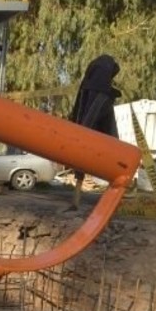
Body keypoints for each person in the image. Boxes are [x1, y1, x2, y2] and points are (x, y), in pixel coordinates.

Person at [67, 54, 122, 210]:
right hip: (91, 131)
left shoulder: (90, 91)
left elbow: (83, 117)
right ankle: (79, 200)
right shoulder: (97, 95)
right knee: (108, 149)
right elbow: (103, 128)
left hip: (88, 129)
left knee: (96, 150)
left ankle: (78, 200)